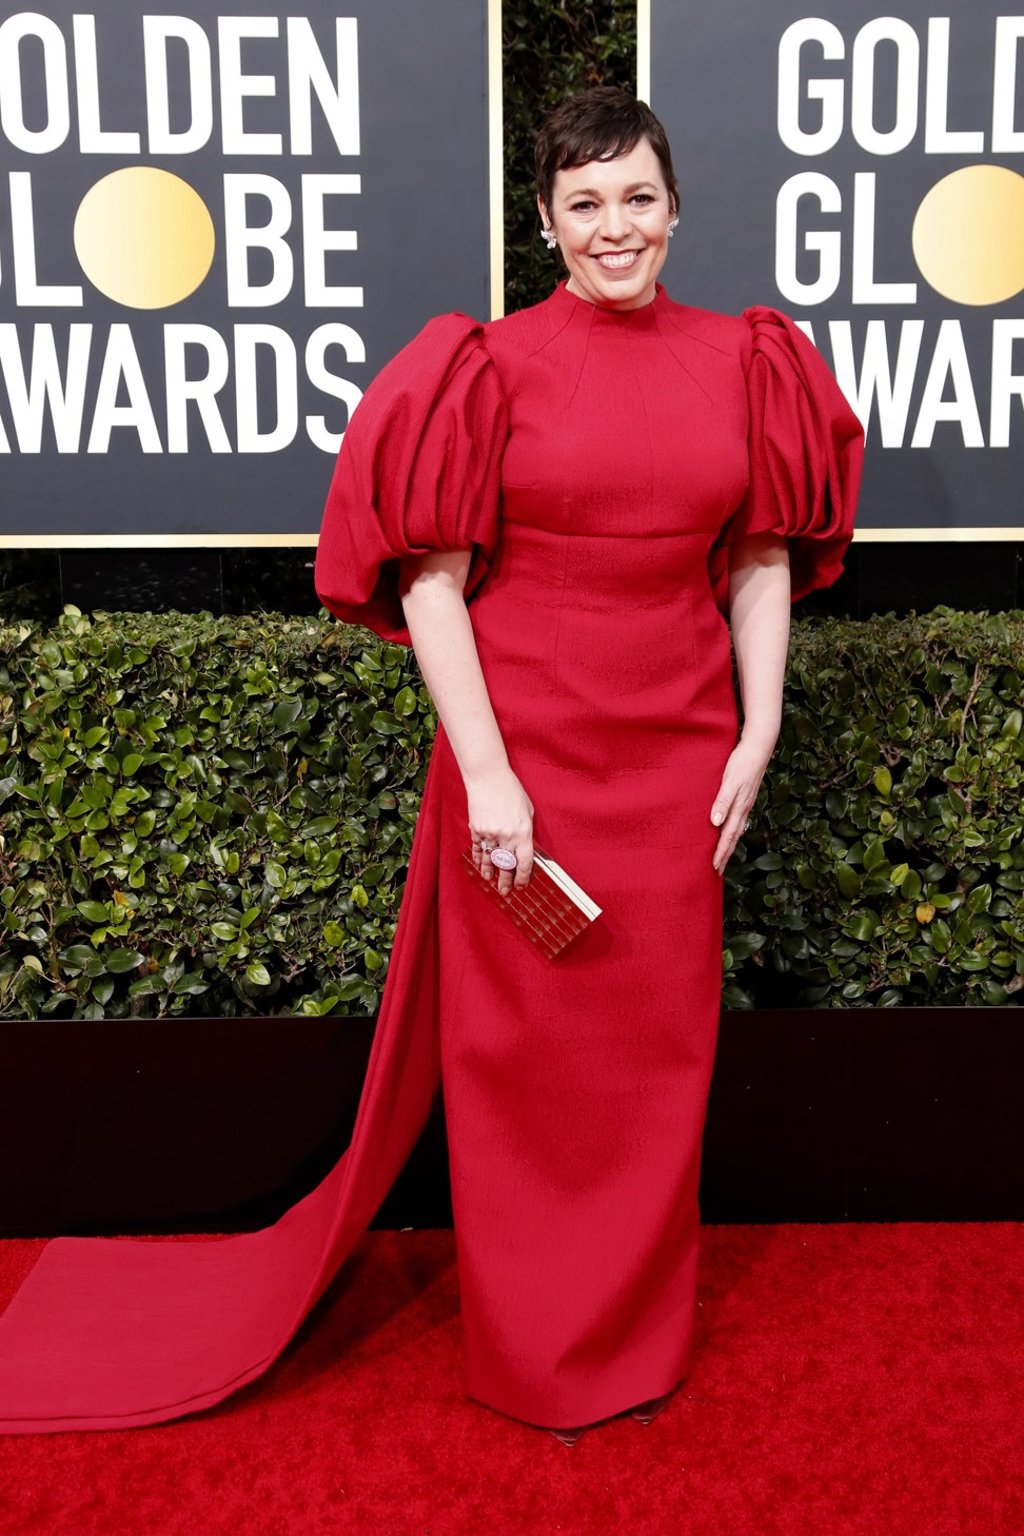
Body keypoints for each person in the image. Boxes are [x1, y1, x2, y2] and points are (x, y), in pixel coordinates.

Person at [0, 87, 863, 1445]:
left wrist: (758, 729)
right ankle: (537, 1356)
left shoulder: (747, 360)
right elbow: (430, 585)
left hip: (679, 765)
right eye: (585, 203)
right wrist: (491, 775)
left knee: (655, 1064)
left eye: (638, 197)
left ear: (677, 207)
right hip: (526, 761)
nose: (616, 226)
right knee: (526, 1070)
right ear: (546, 222)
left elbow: (760, 555)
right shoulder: (486, 367)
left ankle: (635, 1340)